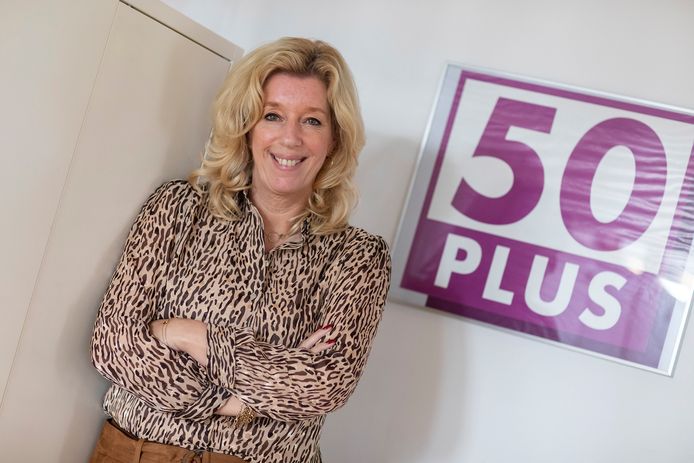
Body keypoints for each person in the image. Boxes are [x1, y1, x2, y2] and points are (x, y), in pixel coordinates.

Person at [88, 37, 391, 463]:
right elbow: (113, 344)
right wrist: (234, 402)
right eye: (273, 115)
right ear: (246, 126)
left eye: (312, 121)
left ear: (335, 139)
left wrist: (188, 334)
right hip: (137, 453)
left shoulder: (358, 257)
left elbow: (323, 386)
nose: (290, 138)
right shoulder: (178, 208)